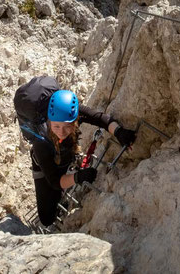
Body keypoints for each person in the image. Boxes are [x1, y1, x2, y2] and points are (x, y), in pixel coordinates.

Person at [30, 88, 136, 227]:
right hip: (45, 165)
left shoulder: (73, 114)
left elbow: (100, 118)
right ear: (49, 121)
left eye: (67, 126)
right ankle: (60, 196)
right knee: (46, 218)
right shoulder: (41, 143)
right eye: (56, 126)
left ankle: (63, 191)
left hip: (65, 155)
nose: (61, 132)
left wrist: (119, 131)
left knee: (59, 186)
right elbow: (55, 181)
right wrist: (77, 177)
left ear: (74, 120)